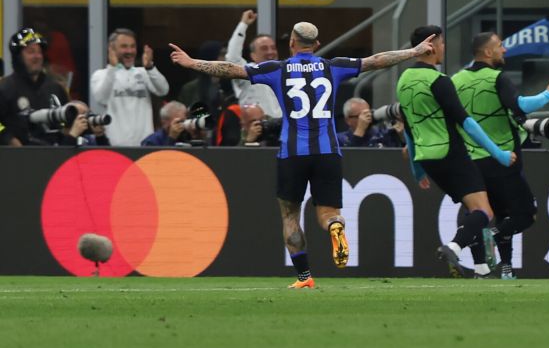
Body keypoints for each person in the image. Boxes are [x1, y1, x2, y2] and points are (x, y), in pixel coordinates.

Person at [169, 21, 437, 288]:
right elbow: (376, 60)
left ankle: (304, 276)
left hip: (292, 152)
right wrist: (413, 52)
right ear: (317, 45)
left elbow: (231, 69)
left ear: (291, 43)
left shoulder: (277, 69)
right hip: (327, 151)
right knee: (329, 212)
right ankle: (335, 225)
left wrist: (193, 63)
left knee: (290, 216)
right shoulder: (333, 67)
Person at [394, 25, 516, 278]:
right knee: (484, 212)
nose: (444, 48)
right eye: (441, 43)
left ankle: (482, 269)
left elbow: (409, 128)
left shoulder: (403, 81)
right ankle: (454, 246)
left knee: (473, 210)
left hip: (427, 158)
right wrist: (499, 154)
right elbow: (467, 123)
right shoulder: (439, 81)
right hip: (450, 153)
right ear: (430, 46)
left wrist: (417, 170)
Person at [451, 31, 549, 279]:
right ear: (488, 52)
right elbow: (520, 106)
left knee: (487, 213)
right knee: (525, 214)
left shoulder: (456, 79)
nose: (504, 50)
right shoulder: (497, 78)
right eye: (500, 46)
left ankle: (501, 267)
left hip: (471, 160)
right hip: (502, 158)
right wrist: (548, 93)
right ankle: (492, 237)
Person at [90, 28, 168, 147]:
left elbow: (163, 90)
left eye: (133, 46)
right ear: (112, 49)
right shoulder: (100, 75)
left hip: (145, 146)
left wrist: (150, 67)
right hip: (115, 146)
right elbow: (102, 98)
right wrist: (112, 68)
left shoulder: (144, 73)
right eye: (124, 46)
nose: (130, 51)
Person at [0, 28, 70, 146]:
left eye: (39, 52)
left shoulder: (55, 88)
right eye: (31, 52)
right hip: (17, 155)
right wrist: (9, 139)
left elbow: (66, 123)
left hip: (54, 153)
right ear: (18, 57)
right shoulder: (5, 88)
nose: (37, 56)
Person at [224, 10, 282, 117]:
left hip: (282, 126)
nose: (270, 52)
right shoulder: (249, 72)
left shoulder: (285, 73)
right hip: (255, 125)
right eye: (264, 48)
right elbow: (232, 59)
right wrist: (243, 24)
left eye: (273, 48)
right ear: (253, 55)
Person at [336, 97, 404, 148]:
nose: (367, 118)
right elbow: (349, 158)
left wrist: (402, 137)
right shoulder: (339, 139)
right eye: (361, 115)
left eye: (368, 113)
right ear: (348, 120)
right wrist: (360, 130)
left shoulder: (383, 135)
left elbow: (400, 157)